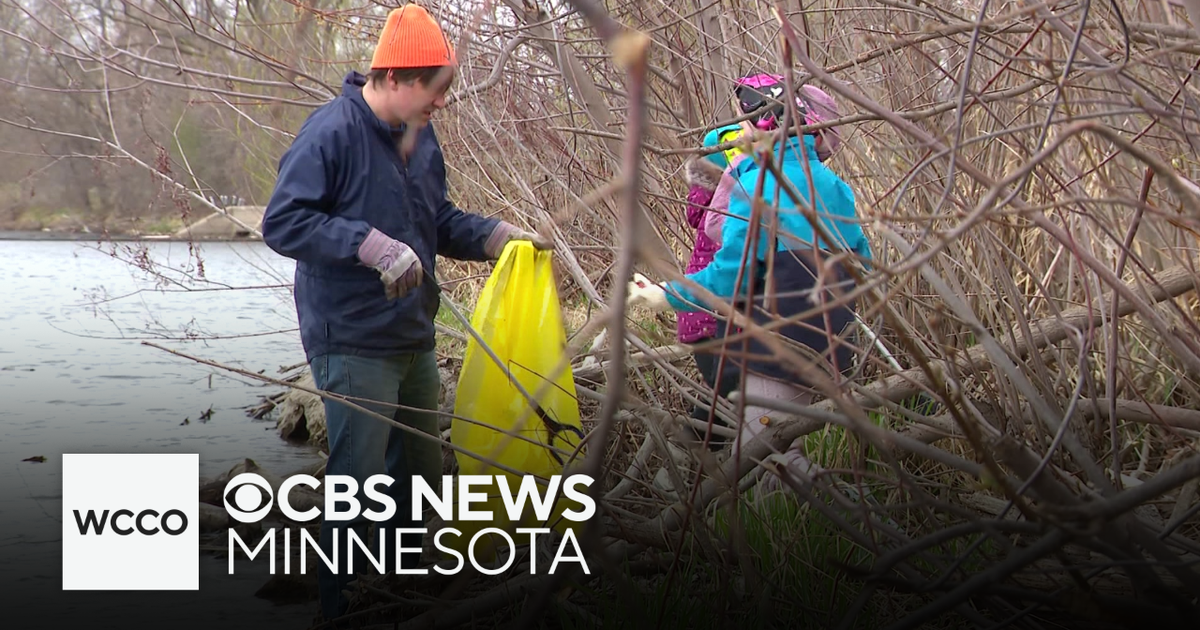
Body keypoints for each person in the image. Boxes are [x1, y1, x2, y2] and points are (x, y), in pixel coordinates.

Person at [259, 4, 550, 621]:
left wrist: (495, 235)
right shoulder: (330, 132)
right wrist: (367, 244)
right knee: (357, 491)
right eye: (433, 90)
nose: (441, 104)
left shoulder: (421, 138)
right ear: (393, 78)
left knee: (418, 483)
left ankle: (406, 602)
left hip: (414, 332)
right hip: (352, 339)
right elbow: (283, 222)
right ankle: (343, 610)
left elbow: (434, 220)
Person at [630, 79, 869, 491]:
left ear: (765, 124)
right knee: (760, 445)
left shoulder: (754, 185)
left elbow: (731, 274)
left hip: (779, 341)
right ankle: (738, 528)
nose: (738, 134)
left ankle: (865, 527)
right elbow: (862, 261)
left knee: (771, 453)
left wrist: (663, 295)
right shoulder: (833, 186)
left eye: (745, 123)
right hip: (834, 340)